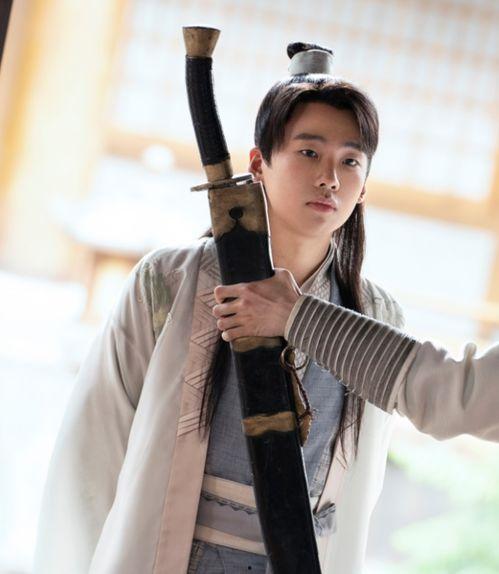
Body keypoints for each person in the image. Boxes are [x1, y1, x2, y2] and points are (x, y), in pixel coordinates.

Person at [35, 43, 408, 574]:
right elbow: (93, 451)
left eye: (350, 161)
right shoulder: (170, 281)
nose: (330, 178)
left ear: (364, 185)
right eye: (309, 152)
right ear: (258, 164)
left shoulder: (375, 316)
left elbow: (355, 495)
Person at [212, 268, 499, 442]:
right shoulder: (190, 270)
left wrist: (297, 317)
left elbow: (458, 398)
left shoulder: (378, 307)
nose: (329, 187)